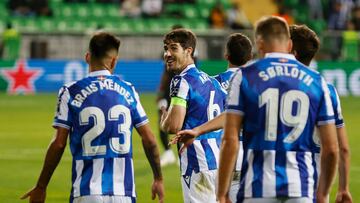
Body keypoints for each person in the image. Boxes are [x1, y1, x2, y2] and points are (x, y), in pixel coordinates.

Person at [21, 32, 164, 203]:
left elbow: (59, 144)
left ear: (87, 57)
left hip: (85, 191)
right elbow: (150, 140)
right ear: (113, 61)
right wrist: (158, 178)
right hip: (123, 193)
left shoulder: (70, 91)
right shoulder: (129, 91)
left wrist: (41, 186)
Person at [217, 16, 338, 203]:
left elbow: (230, 140)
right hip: (301, 187)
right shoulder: (316, 82)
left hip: (257, 187)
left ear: (259, 43)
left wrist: (222, 192)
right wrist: (322, 194)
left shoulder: (245, 77)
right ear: (289, 45)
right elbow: (331, 149)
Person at [171, 32, 252, 203]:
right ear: (250, 56)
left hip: (223, 155)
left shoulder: (214, 83)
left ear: (226, 55)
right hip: (251, 157)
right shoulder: (258, 84)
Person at [160, 28, 227, 202]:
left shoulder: (181, 80)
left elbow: (173, 126)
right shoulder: (213, 82)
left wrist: (164, 121)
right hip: (219, 162)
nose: (167, 53)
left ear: (188, 51)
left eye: (173, 48)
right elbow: (228, 116)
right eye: (166, 48)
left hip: (197, 164)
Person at [290, 24, 352, 203]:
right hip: (314, 186)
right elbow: (343, 148)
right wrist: (343, 188)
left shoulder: (273, 85)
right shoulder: (327, 90)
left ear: (291, 49)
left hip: (274, 181)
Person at [156, 24, 184, 167]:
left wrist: (161, 91)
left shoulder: (180, 54)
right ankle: (170, 153)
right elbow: (166, 73)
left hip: (176, 91)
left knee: (175, 123)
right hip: (170, 91)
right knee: (165, 121)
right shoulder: (170, 52)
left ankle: (175, 153)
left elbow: (169, 73)